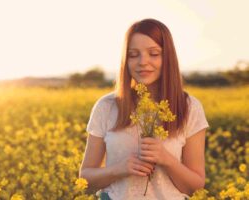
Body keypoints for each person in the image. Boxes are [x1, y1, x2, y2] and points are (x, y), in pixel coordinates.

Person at [79, 18, 209, 200]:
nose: (143, 62)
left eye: (154, 53)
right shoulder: (106, 106)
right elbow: (85, 179)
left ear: (167, 57)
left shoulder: (189, 107)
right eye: (133, 55)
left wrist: (166, 159)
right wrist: (120, 169)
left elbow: (195, 186)